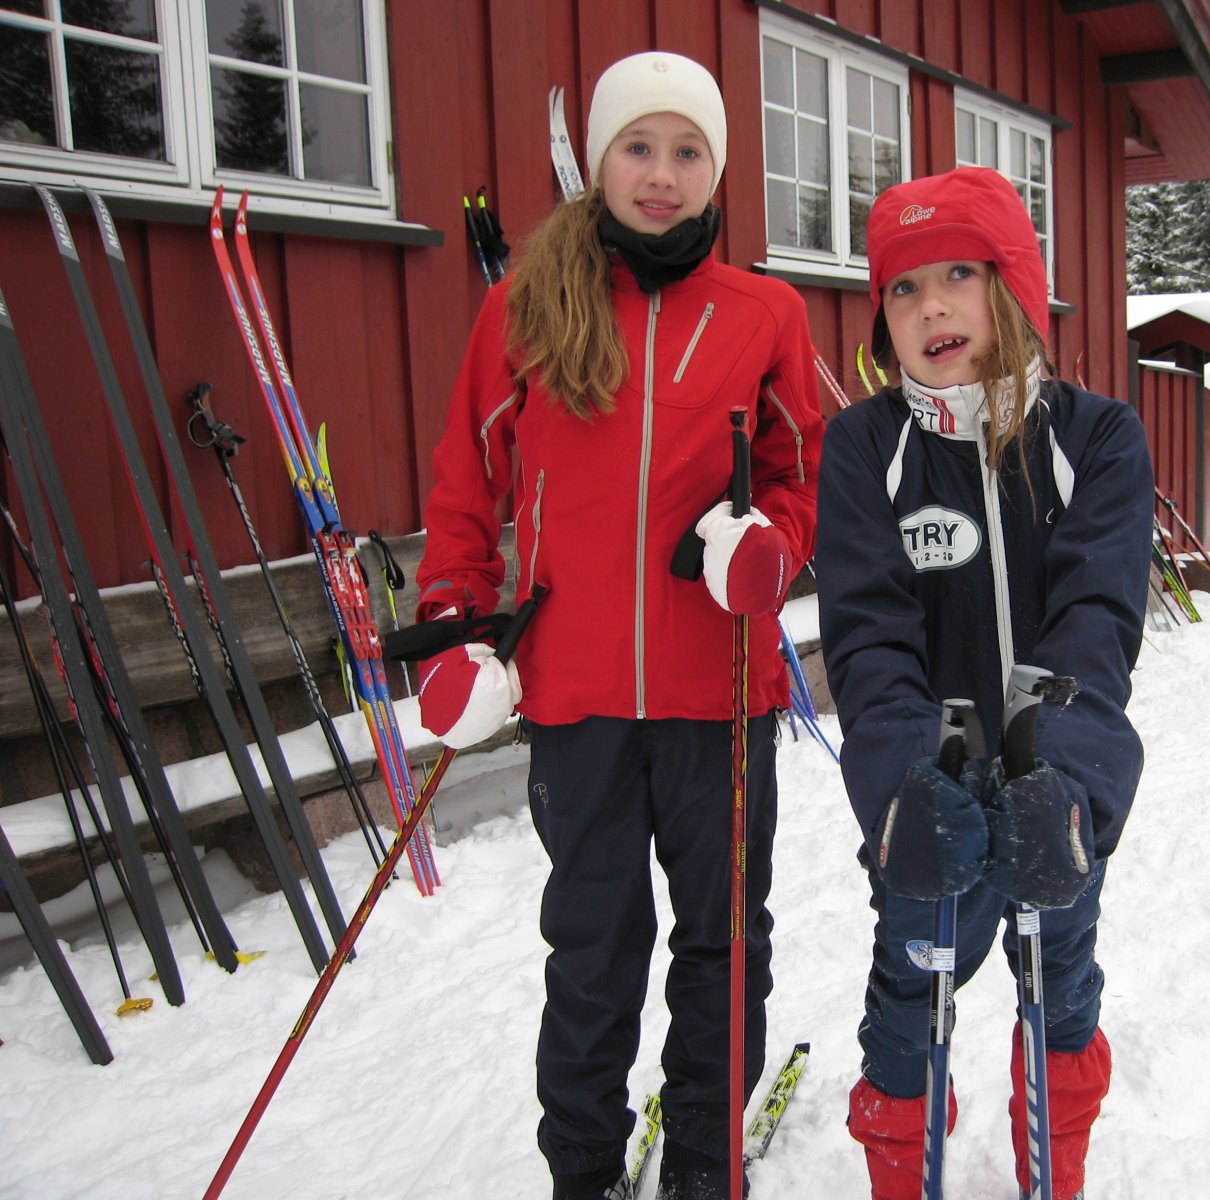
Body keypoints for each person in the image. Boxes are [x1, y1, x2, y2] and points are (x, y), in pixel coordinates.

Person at [411, 50, 823, 1200]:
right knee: (592, 957)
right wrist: (455, 628)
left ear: (717, 172)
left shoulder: (765, 315)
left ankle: (702, 1165)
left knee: (723, 949)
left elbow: (806, 475)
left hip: (721, 698)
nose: (661, 173)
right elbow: (464, 486)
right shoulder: (524, 307)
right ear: (599, 164)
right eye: (637, 148)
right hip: (577, 700)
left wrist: (765, 545)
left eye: (687, 151)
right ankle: (583, 1173)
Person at [815, 167, 1153, 1199]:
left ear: (1010, 285)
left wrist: (1068, 774)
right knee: (905, 1006)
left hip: (1054, 791)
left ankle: (1057, 1170)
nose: (932, 307)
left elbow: (1098, 621)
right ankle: (897, 1168)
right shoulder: (866, 446)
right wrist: (904, 781)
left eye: (958, 273)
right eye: (905, 288)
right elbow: (866, 638)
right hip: (929, 796)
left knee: (1060, 997)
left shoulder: (1093, 437)